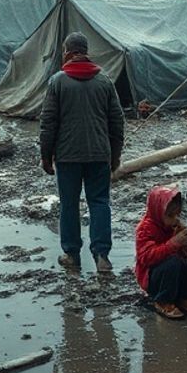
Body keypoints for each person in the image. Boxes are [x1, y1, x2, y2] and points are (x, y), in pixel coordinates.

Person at [39, 32, 125, 273]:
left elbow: (48, 122)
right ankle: (102, 256)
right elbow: (117, 122)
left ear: (67, 52)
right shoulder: (105, 81)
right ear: (86, 52)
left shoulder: (57, 82)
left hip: (67, 157)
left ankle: (71, 255)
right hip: (99, 155)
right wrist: (115, 156)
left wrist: (45, 156)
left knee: (69, 205)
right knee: (99, 203)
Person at [135, 185, 187, 319]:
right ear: (158, 212)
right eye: (170, 215)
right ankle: (163, 300)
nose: (175, 219)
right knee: (173, 262)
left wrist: (186, 245)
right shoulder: (145, 229)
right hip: (152, 276)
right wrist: (173, 244)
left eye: (178, 214)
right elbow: (146, 257)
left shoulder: (172, 226)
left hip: (171, 271)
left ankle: (183, 297)